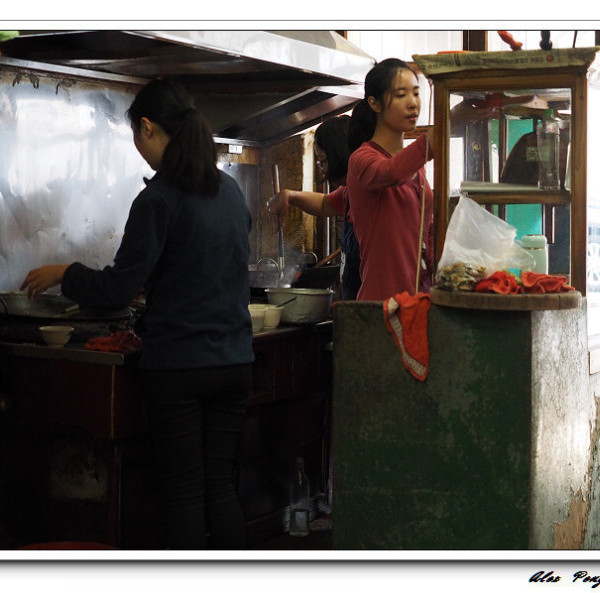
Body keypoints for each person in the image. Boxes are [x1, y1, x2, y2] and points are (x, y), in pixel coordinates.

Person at [20, 77, 254, 550]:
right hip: (234, 359)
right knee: (220, 485)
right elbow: (204, 263)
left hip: (181, 366)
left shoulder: (158, 199)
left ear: (147, 127)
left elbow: (117, 291)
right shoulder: (230, 192)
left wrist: (67, 272)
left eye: (135, 135)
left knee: (185, 493)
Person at [346, 58, 436, 301]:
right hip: (383, 304)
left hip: (419, 301)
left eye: (416, 93)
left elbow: (426, 231)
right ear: (374, 104)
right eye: (401, 95)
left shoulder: (416, 166)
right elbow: (391, 172)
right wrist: (432, 140)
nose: (413, 103)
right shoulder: (362, 159)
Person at [267, 115, 361, 300]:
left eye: (323, 161)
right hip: (355, 305)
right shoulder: (349, 192)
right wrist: (289, 195)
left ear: (338, 156)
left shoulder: (370, 195)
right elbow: (324, 204)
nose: (321, 168)